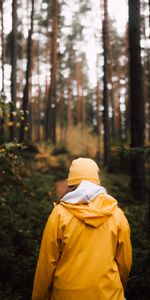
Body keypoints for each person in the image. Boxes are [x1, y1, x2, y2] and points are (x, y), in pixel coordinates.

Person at [32, 157, 132, 300]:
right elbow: (125, 263)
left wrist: (38, 297)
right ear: (97, 182)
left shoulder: (59, 214)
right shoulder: (117, 215)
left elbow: (46, 264)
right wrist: (115, 288)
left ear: (71, 184)